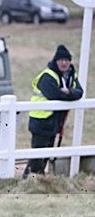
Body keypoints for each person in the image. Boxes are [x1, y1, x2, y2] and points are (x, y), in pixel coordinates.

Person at [25, 44, 83, 178]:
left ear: (70, 61)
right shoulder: (47, 76)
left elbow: (80, 92)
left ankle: (32, 180)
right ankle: (32, 180)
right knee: (38, 156)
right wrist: (69, 95)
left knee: (45, 155)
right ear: (56, 61)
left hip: (54, 122)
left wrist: (68, 91)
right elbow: (55, 95)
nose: (64, 63)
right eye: (61, 60)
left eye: (66, 60)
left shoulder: (71, 76)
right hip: (41, 120)